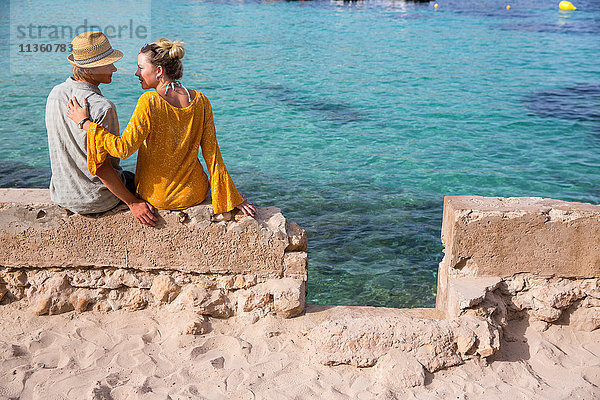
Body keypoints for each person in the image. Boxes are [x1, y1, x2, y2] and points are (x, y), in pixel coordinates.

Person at [66, 38, 256, 217]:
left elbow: (123, 149)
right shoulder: (201, 100)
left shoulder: (149, 101)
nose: (136, 74)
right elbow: (212, 154)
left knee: (125, 177)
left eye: (140, 68)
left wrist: (85, 123)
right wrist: (231, 196)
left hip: (158, 196)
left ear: (158, 70)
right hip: (195, 193)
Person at [46, 31, 157, 226]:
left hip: (61, 194)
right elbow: (102, 167)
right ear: (89, 70)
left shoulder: (55, 94)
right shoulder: (102, 107)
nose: (114, 68)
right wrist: (132, 203)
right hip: (96, 199)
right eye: (108, 63)